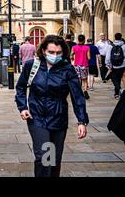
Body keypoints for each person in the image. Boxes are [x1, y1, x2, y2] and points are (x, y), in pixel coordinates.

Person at [15, 35, 89, 177]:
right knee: (44, 156)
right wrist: (23, 107)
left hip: (58, 118)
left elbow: (77, 96)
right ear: (43, 51)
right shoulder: (32, 65)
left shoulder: (67, 69)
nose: (55, 56)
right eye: (51, 52)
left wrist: (81, 121)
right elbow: (21, 87)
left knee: (54, 159)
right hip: (37, 118)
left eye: (58, 53)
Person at [106, 33, 125, 100]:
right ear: (121, 37)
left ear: (115, 37)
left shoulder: (111, 46)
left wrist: (108, 65)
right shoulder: (124, 45)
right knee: (119, 79)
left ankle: (117, 89)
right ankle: (117, 93)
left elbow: (108, 57)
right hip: (122, 65)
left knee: (114, 78)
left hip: (113, 66)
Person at [71, 34, 91, 100]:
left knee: (78, 79)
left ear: (78, 40)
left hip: (77, 65)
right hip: (84, 65)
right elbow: (89, 57)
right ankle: (85, 91)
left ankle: (79, 93)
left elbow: (71, 55)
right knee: (85, 80)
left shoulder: (74, 47)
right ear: (84, 40)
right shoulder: (87, 48)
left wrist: (73, 59)